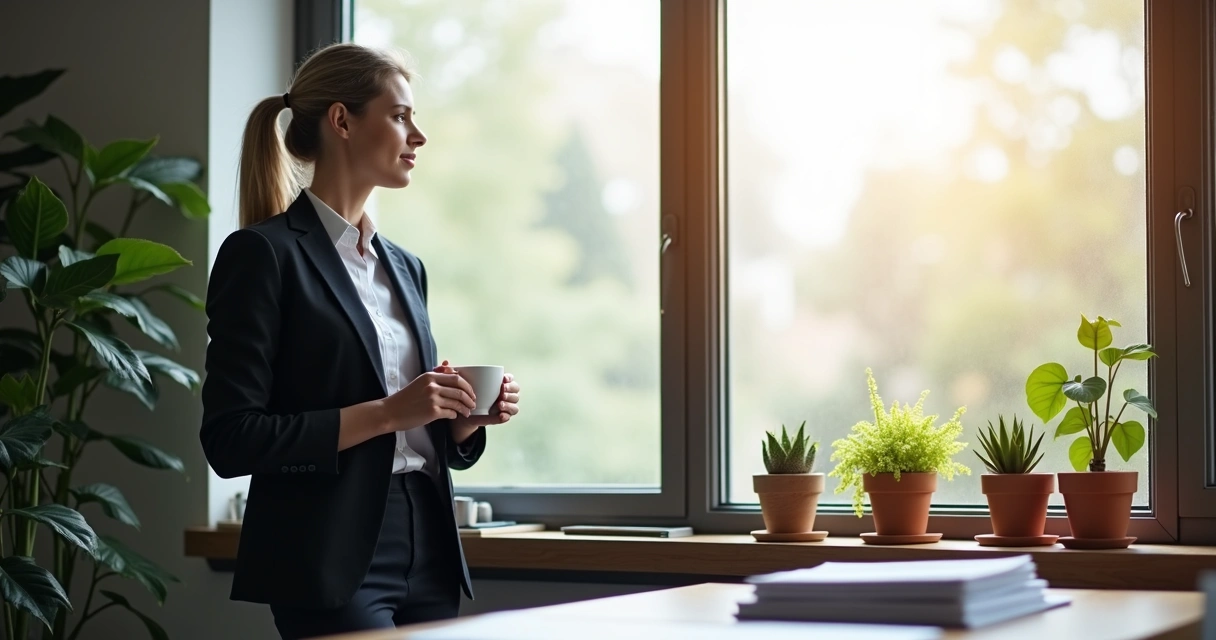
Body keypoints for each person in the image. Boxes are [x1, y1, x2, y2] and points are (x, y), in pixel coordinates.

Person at [199, 42, 521, 639]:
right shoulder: (263, 255)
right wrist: (389, 412)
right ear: (342, 120)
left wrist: (460, 420)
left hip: (427, 543)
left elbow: (414, 438)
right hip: (326, 552)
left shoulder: (406, 267)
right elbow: (230, 440)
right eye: (400, 115)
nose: (418, 135)